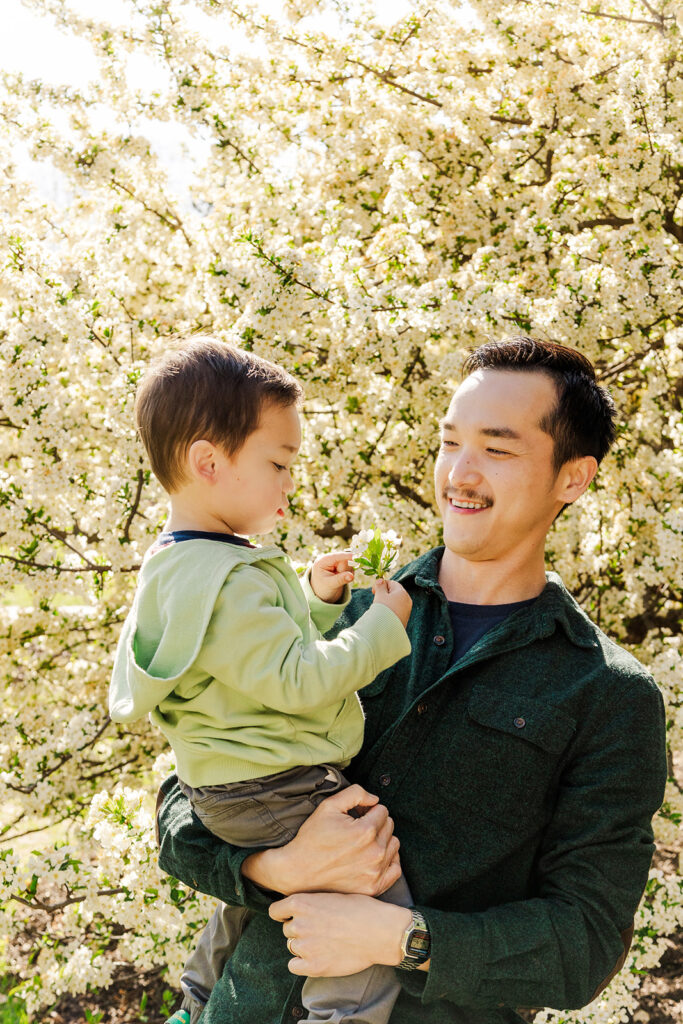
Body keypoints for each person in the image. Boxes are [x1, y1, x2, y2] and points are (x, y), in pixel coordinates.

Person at [156, 337, 668, 1024]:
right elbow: (183, 799)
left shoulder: (608, 695)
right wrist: (269, 868)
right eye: (449, 441)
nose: (459, 472)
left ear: (570, 478)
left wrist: (400, 939)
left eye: (496, 448)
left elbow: (582, 944)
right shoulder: (342, 614)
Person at [108, 337, 417, 1024]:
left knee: (258, 892)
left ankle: (195, 1000)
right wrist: (379, 628)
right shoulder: (230, 579)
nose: (287, 482)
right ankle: (343, 1014)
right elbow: (297, 680)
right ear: (208, 462)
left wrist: (312, 599)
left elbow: (240, 660)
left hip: (225, 789)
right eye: (277, 463)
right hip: (281, 781)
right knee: (367, 885)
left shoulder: (182, 568)